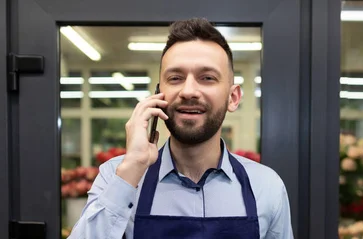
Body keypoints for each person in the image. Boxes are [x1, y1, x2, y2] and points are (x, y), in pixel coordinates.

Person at [68, 18, 293, 239]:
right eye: (175, 78)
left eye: (207, 77)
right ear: (158, 94)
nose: (188, 91)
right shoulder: (116, 177)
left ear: (233, 98)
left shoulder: (266, 186)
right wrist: (133, 168)